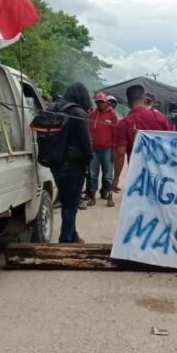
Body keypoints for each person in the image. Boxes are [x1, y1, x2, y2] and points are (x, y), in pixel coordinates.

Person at [50, 82, 94, 243]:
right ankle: (66, 237)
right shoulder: (78, 112)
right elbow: (86, 141)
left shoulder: (52, 108)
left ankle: (72, 233)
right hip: (74, 164)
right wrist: (90, 158)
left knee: (67, 199)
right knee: (71, 203)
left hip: (55, 162)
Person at [112, 84, 172, 192]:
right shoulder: (160, 118)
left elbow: (120, 152)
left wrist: (116, 178)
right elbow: (169, 143)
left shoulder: (124, 123)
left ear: (128, 102)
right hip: (160, 171)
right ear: (144, 99)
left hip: (137, 174)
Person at [87, 91, 118, 207]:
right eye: (97, 102)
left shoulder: (112, 115)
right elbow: (88, 132)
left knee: (107, 175)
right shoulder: (92, 116)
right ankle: (92, 198)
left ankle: (110, 197)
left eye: (101, 102)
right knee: (93, 174)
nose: (99, 104)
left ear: (106, 102)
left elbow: (116, 133)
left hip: (107, 149)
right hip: (94, 150)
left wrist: (114, 150)